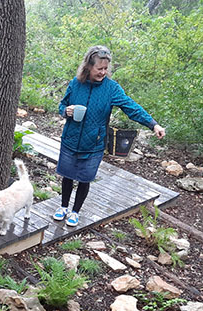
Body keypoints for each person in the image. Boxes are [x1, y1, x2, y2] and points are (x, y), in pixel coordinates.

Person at [55, 45, 165, 226]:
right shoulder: (76, 83)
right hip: (71, 138)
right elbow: (62, 105)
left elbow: (132, 107)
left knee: (85, 177)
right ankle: (63, 207)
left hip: (94, 143)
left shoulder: (112, 89)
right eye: (99, 68)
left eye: (106, 69)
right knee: (68, 175)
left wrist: (153, 124)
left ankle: (75, 212)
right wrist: (65, 110)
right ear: (89, 66)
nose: (103, 72)